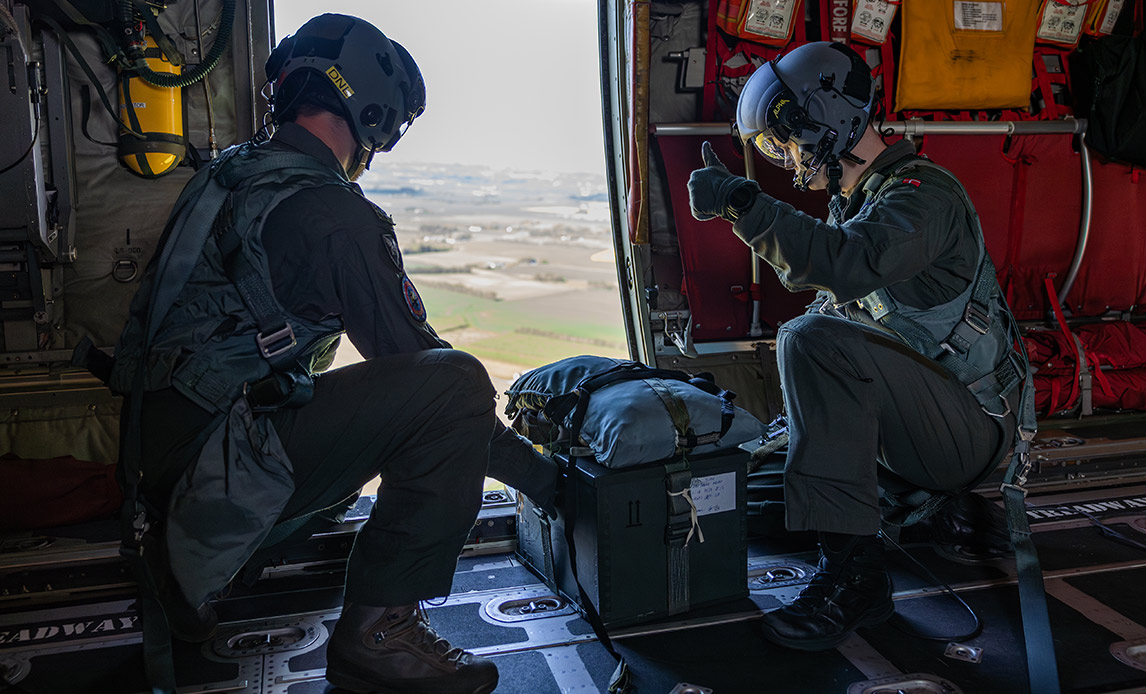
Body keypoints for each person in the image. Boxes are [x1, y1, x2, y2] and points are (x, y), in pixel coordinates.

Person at [108, 14, 558, 694]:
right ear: (374, 113)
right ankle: (379, 633)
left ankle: (201, 563)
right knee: (457, 385)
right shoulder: (333, 215)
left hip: (157, 453)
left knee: (357, 423)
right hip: (209, 461)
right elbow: (431, 380)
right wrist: (553, 484)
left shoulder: (236, 173)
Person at [687, 42, 1030, 651]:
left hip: (967, 426)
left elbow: (847, 264)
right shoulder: (859, 201)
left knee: (808, 339)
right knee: (757, 501)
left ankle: (858, 578)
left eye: (784, 143)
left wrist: (743, 205)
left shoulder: (923, 196)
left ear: (825, 120)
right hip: (912, 422)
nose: (785, 159)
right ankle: (933, 507)